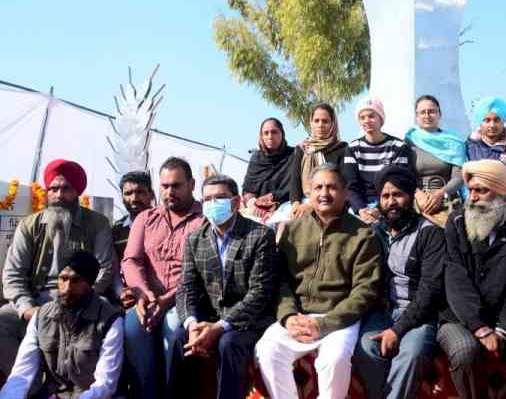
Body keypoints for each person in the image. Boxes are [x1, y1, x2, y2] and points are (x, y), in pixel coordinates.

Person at [255, 163, 381, 399]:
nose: (324, 193)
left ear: (344, 192)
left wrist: (323, 325)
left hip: (339, 319)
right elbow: (280, 280)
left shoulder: (363, 234)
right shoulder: (292, 230)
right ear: (309, 193)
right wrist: (288, 315)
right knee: (267, 351)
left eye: (332, 187)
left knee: (334, 360)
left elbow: (365, 291)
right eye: (318, 187)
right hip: (298, 315)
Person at [438, 159, 506, 399]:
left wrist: (501, 330)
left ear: (502, 194)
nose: (473, 197)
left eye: (481, 190)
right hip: (460, 318)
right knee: (463, 350)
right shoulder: (456, 222)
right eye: (471, 190)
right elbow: (455, 280)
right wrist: (480, 328)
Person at [0, 159, 115, 380]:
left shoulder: (97, 223)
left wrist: (81, 301)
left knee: (109, 317)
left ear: (77, 192)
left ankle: (76, 386)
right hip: (37, 300)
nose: (59, 195)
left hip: (84, 298)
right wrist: (27, 309)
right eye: (53, 189)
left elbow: (105, 270)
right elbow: (13, 275)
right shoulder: (29, 225)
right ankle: (31, 387)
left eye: (66, 189)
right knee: (2, 321)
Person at [169, 174, 277, 399]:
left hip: (249, 320)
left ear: (236, 202)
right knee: (180, 338)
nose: (212, 204)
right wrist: (192, 325)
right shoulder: (194, 239)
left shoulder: (259, 236)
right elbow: (186, 287)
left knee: (228, 344)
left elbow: (260, 293)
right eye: (207, 199)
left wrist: (219, 327)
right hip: (210, 316)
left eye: (219, 198)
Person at [353, 166, 445, 399]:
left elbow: (430, 290)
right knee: (366, 348)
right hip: (382, 312)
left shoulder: (430, 233)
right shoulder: (375, 233)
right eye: (385, 196)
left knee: (411, 354)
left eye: (397, 195)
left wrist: (397, 330)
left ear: (410, 197)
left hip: (418, 314)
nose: (391, 202)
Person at [121, 157, 204, 399]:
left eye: (176, 186)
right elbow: (131, 260)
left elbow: (201, 272)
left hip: (185, 300)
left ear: (191, 184)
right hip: (147, 299)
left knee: (172, 330)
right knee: (134, 329)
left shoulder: (203, 220)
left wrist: (167, 300)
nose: (169, 192)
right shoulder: (146, 219)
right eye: (165, 186)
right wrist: (143, 293)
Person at [0, 251, 124, 399]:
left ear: (89, 284)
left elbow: (105, 384)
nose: (67, 288)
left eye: (75, 280)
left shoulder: (110, 320)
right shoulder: (42, 317)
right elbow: (22, 371)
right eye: (63, 279)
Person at [343, 96, 413, 225]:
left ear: (381, 119)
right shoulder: (352, 148)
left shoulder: (398, 146)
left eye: (371, 116)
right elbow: (350, 186)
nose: (367, 121)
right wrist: (361, 210)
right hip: (362, 207)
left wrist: (378, 209)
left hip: (390, 204)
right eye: (362, 117)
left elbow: (400, 183)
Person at [404, 94, 466, 227]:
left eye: (431, 111)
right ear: (417, 116)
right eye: (422, 112)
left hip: (447, 200)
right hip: (418, 200)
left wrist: (440, 195)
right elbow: (405, 175)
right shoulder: (409, 141)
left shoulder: (454, 143)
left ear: (439, 114)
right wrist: (419, 195)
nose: (427, 115)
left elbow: (459, 178)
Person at [465, 97, 506, 208]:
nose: (492, 125)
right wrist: (471, 202)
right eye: (487, 120)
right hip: (477, 206)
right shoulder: (470, 146)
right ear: (480, 122)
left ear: (503, 121)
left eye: (497, 120)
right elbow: (464, 180)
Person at [289, 103, 347, 219]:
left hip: (330, 200)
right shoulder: (302, 148)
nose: (320, 125)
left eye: (325, 121)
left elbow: (343, 183)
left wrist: (311, 204)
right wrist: (295, 204)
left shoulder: (342, 148)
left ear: (332, 124)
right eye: (316, 121)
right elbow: (295, 180)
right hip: (303, 200)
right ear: (311, 123)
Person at [112, 171, 154, 310]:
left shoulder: (164, 224)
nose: (134, 198)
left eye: (140, 192)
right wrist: (121, 293)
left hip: (158, 294)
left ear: (151, 194)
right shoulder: (116, 230)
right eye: (128, 193)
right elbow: (114, 269)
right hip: (128, 296)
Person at [241, 117, 295, 224]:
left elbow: (294, 188)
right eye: (266, 133)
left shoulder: (294, 155)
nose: (270, 136)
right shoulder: (256, 158)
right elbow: (248, 190)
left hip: (285, 206)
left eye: (274, 132)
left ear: (282, 134)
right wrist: (253, 203)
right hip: (257, 210)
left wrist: (272, 202)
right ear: (261, 136)